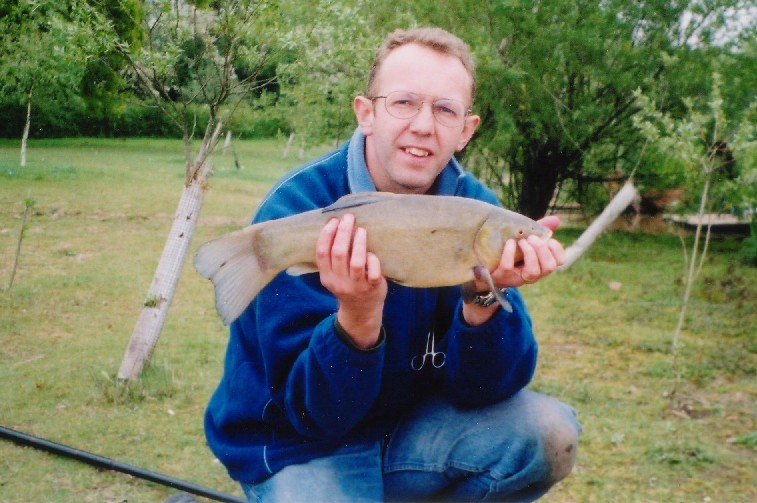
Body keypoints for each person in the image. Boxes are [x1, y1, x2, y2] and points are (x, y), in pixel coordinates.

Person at [204, 27, 581, 502]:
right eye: (404, 102)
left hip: (410, 429)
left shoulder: (475, 209)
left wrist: (484, 296)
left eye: (445, 109)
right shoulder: (294, 209)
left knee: (549, 433)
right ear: (367, 113)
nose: (424, 125)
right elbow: (307, 415)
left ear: (466, 130)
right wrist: (357, 320)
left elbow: (483, 391)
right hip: (300, 445)